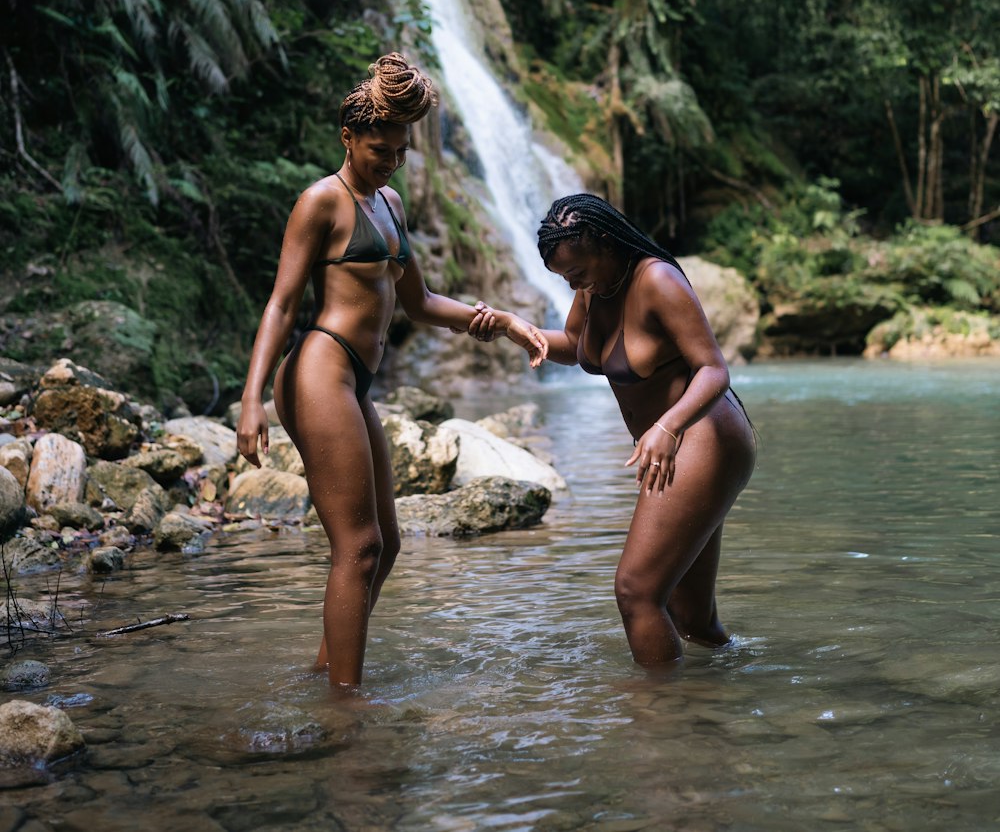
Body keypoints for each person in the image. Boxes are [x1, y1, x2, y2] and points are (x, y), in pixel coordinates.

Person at [236, 52, 548, 688]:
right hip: (319, 367)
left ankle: (326, 675)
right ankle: (347, 709)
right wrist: (250, 403)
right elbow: (280, 304)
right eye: (380, 149)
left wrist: (503, 322)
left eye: (401, 150)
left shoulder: (391, 204)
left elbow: (420, 304)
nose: (391, 160)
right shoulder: (320, 202)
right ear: (348, 137)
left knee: (389, 544)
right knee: (359, 546)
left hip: (354, 379)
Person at [476, 192, 755, 669]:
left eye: (577, 273)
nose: (572, 286)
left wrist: (667, 428)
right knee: (691, 618)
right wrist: (515, 328)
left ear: (605, 243)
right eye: (564, 278)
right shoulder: (593, 288)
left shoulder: (658, 281)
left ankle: (660, 719)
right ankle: (727, 693)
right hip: (672, 442)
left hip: (702, 433)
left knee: (636, 591)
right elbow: (581, 348)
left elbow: (713, 369)